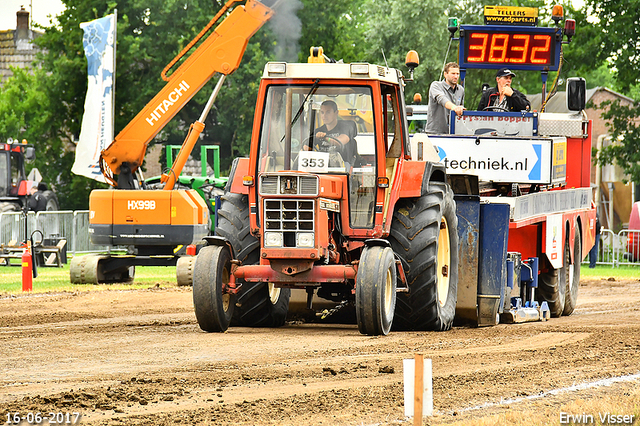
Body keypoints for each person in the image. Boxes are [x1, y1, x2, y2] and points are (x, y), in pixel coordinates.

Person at [309, 100, 357, 166]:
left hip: (344, 168)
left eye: (328, 112)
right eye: (322, 112)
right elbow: (305, 148)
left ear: (336, 113)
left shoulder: (346, 127)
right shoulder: (318, 131)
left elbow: (340, 142)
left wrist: (325, 138)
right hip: (323, 166)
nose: (324, 116)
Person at [425, 62, 465, 134]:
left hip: (453, 133)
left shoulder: (461, 90)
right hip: (435, 133)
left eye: (457, 74)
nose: (456, 77)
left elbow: (461, 108)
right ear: (445, 74)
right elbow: (442, 99)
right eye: (453, 74)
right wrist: (454, 107)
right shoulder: (436, 86)